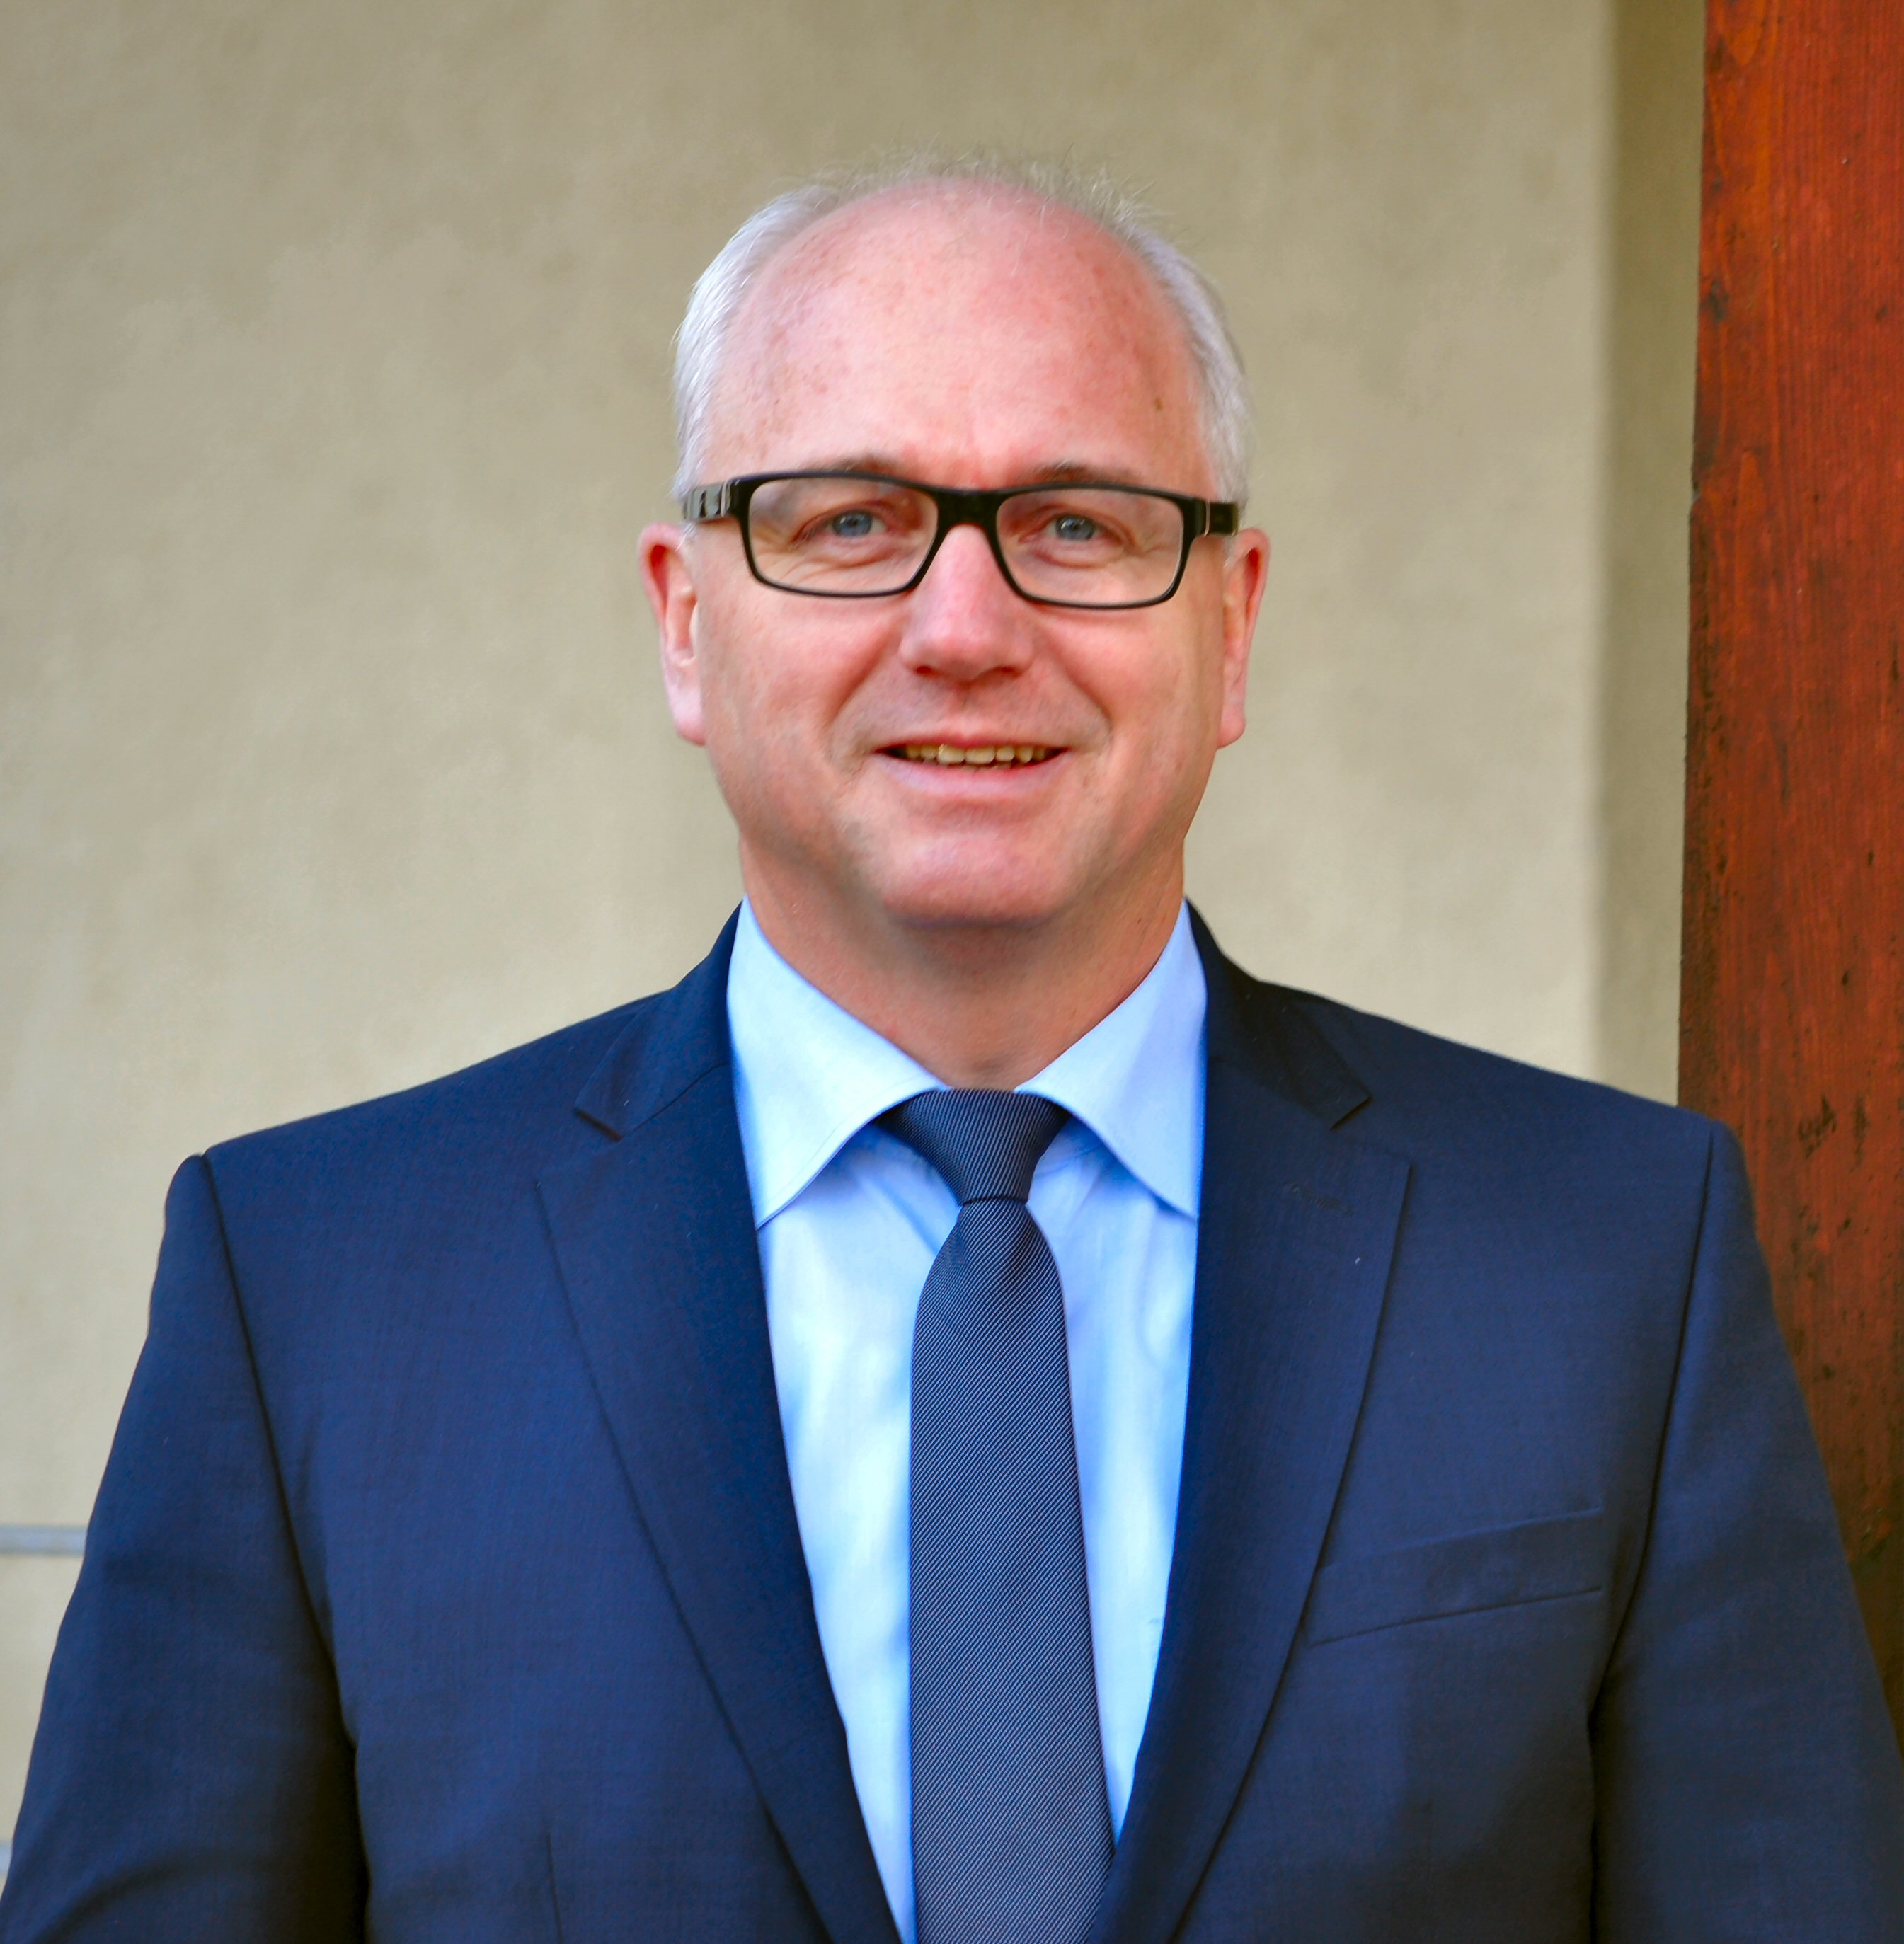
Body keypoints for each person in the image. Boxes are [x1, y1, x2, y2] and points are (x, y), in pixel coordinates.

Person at [2, 157, 1900, 1944]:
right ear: (686, 621)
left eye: (1078, 524)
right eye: (849, 522)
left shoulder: (1608, 1259)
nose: (967, 625)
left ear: (1230, 624)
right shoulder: (316, 1285)